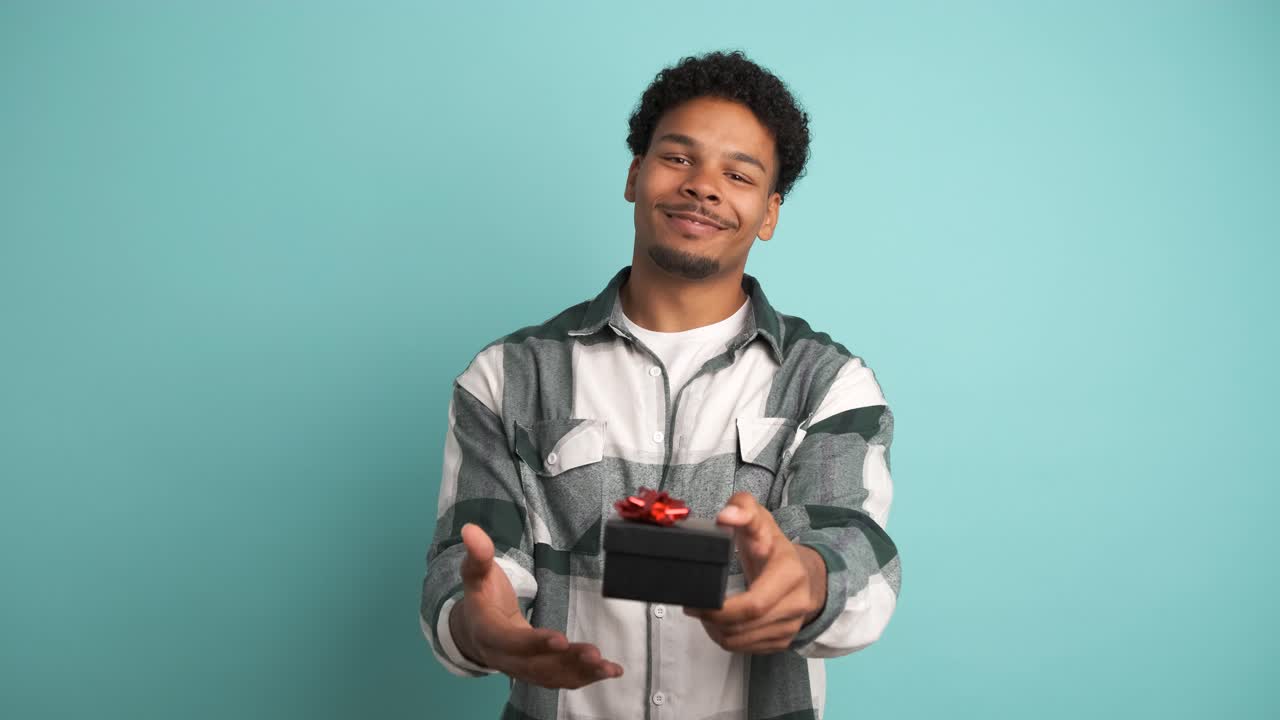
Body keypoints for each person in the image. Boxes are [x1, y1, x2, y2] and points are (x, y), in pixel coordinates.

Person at [420, 49, 900, 720]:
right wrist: (480, 625)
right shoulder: (504, 377)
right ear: (635, 174)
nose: (703, 186)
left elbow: (853, 549)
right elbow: (469, 570)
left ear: (769, 213)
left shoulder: (829, 384)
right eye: (678, 158)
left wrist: (809, 584)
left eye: (738, 174)